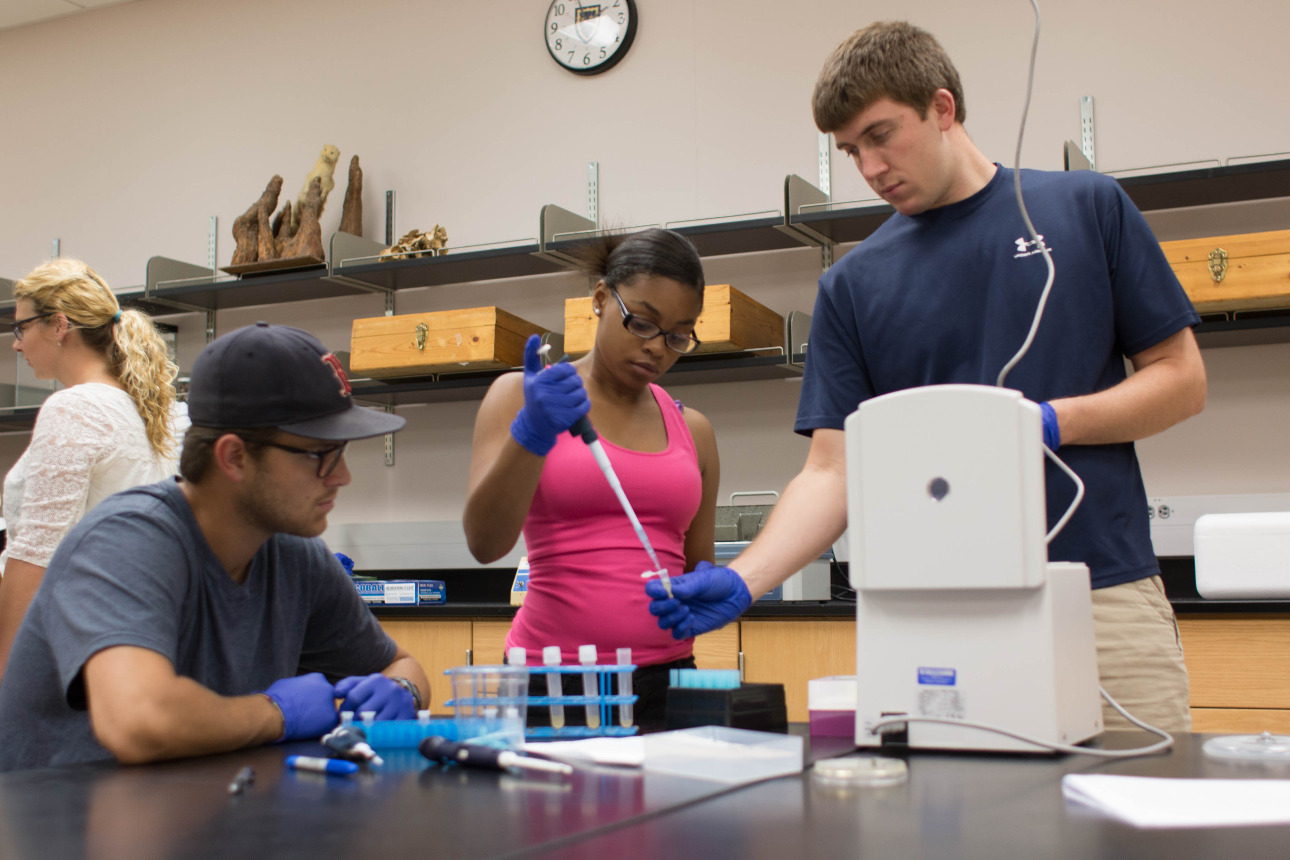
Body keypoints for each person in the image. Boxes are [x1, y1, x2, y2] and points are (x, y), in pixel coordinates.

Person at [647, 21, 1206, 733]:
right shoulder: (852, 285)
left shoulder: (1085, 209)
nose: (871, 167)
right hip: (936, 613)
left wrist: (1049, 423)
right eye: (852, 151)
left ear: (942, 108)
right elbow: (832, 471)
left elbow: (1182, 380)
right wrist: (744, 578)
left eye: (882, 135)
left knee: (1140, 820)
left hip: (1103, 594)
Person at [0, 322, 428, 771]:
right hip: (64, 828)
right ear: (234, 457)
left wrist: (402, 691)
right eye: (320, 455)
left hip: (195, 816)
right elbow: (138, 721)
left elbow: (401, 665)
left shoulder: (293, 553)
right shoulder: (124, 541)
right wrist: (276, 712)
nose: (342, 477)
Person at [464, 228, 720, 731]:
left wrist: (710, 589)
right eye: (642, 323)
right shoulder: (524, 397)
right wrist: (532, 433)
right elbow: (484, 543)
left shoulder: (694, 430)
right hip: (553, 683)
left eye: (677, 336)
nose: (657, 350)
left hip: (669, 681)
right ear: (602, 298)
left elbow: (698, 565)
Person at [0, 259, 189, 682]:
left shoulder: (75, 408)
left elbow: (36, 556)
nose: (16, 344)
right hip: (121, 640)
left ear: (59, 325)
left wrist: (6, 679)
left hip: (65, 645)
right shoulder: (146, 410)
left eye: (21, 328)